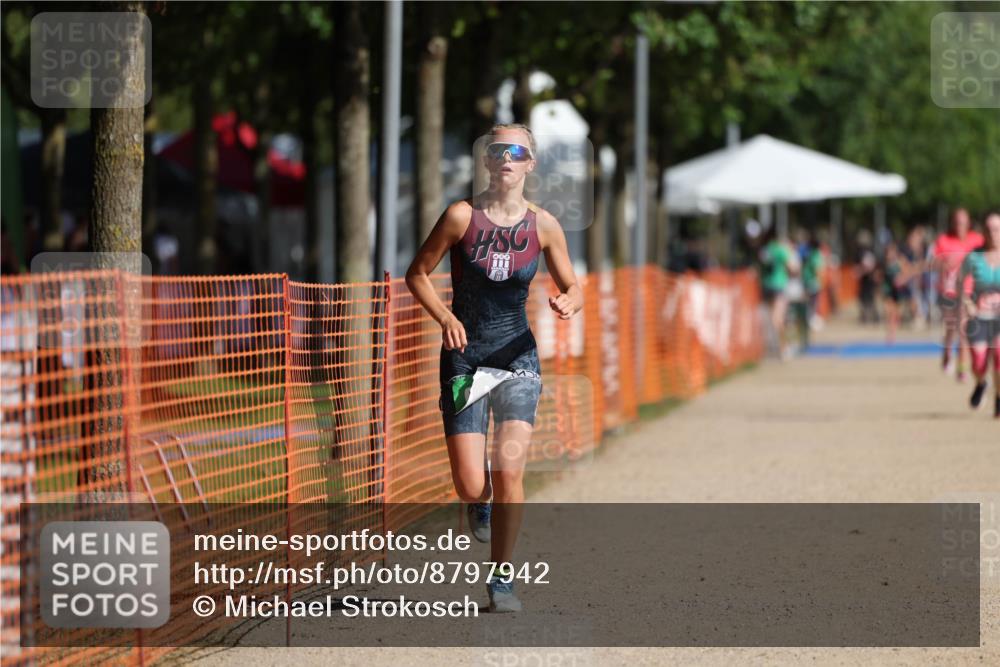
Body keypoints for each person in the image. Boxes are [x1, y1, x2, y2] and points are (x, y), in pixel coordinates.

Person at [405, 123, 583, 612]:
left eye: (517, 151)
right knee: (469, 482)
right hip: (465, 355)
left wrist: (570, 300)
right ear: (486, 161)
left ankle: (502, 579)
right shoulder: (460, 217)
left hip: (517, 357)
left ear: (530, 164)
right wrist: (444, 317)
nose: (506, 157)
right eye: (497, 149)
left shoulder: (544, 225)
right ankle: (477, 502)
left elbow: (573, 284)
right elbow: (416, 273)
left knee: (510, 467)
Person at [931, 208, 984, 381]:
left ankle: (962, 368)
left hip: (970, 291)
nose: (959, 225)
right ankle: (947, 351)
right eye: (957, 222)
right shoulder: (944, 240)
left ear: (968, 222)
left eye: (963, 222)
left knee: (963, 329)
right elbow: (933, 262)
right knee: (951, 329)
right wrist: (945, 262)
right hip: (949, 291)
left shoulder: (976, 239)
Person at [960, 211, 1000, 417]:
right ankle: (981, 383)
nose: (993, 234)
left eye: (997, 229)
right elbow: (962, 283)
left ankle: (999, 397)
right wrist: (968, 303)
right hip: (980, 317)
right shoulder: (974, 257)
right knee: (979, 360)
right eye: (989, 229)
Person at [759, 227, 799, 359]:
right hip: (779, 285)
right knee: (778, 318)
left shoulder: (764, 250)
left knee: (769, 318)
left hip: (765, 286)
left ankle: (771, 347)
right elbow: (793, 268)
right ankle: (783, 348)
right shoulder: (780, 250)